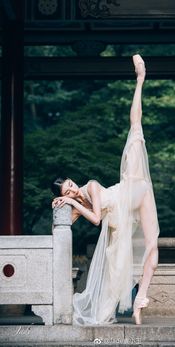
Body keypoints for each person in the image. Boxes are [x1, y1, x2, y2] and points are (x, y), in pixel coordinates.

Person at [51, 54, 160, 325]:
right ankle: (140, 79)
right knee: (114, 275)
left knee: (152, 248)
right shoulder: (83, 201)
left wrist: (74, 203)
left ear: (75, 181)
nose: (73, 191)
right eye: (68, 192)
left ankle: (140, 299)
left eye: (71, 185)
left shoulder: (93, 187)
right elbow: (95, 219)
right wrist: (65, 206)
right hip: (123, 213)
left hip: (132, 190)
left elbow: (96, 217)